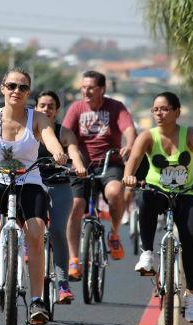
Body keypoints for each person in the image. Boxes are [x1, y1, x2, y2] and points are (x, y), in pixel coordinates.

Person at [0, 68, 68, 325]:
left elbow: (50, 140)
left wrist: (58, 154)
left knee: (37, 234)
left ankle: (37, 301)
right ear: (3, 88)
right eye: (12, 86)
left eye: (23, 87)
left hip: (29, 180)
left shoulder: (38, 118)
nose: (17, 91)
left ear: (29, 92)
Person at [122, 91, 193, 322]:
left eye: (164, 109)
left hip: (185, 193)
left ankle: (191, 295)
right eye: (155, 109)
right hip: (157, 192)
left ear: (177, 111)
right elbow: (133, 159)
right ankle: (147, 253)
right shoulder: (147, 136)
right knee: (144, 200)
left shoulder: (190, 134)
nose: (159, 113)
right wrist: (128, 176)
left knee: (190, 237)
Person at [61, 70, 136, 281]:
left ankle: (113, 233)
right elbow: (65, 132)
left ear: (102, 89)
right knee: (76, 205)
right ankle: (74, 259)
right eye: (83, 87)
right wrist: (65, 144)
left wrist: (129, 146)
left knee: (115, 192)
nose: (86, 91)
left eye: (91, 87)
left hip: (109, 164)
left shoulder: (116, 107)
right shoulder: (76, 108)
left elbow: (129, 130)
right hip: (81, 166)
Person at [35, 90, 86, 304]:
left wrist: (78, 165)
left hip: (59, 185)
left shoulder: (63, 132)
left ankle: (63, 284)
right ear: (36, 108)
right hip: (33, 185)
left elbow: (73, 151)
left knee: (57, 230)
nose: (46, 109)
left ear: (56, 111)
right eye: (42, 105)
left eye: (51, 106)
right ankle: (28, 247)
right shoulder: (27, 130)